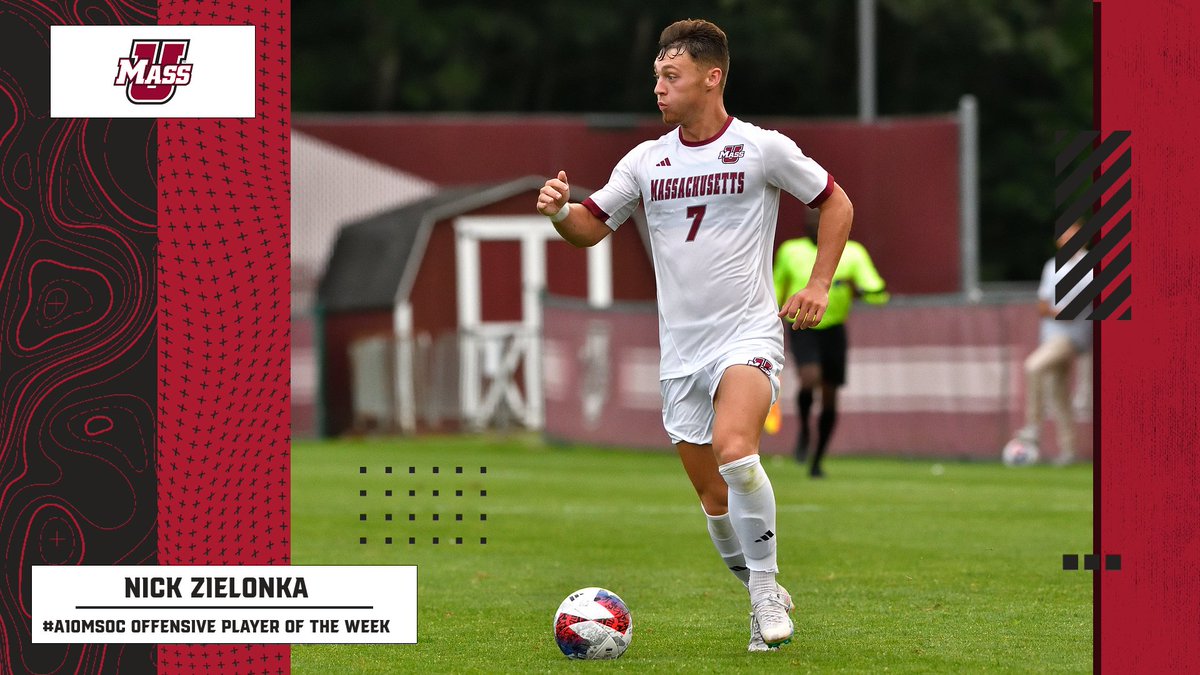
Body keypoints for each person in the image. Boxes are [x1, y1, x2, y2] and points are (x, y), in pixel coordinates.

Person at [536, 18, 853, 652]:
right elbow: (590, 227)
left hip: (748, 336)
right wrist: (558, 212)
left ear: (712, 78)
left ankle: (765, 590)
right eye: (656, 75)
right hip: (681, 352)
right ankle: (757, 585)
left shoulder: (762, 148)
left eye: (670, 76)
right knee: (714, 499)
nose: (657, 87)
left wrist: (818, 284)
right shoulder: (645, 160)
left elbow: (836, 203)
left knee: (738, 452)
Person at [773, 209, 889, 477]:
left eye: (821, 221)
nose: (815, 225)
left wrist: (858, 290)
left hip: (834, 329)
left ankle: (817, 460)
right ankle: (803, 429)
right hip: (802, 325)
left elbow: (878, 293)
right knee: (809, 378)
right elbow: (777, 286)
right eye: (811, 220)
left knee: (829, 397)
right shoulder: (791, 251)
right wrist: (772, 312)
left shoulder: (853, 253)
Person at [1012, 218, 1093, 465]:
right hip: (1051, 336)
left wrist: (1063, 311)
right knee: (1059, 394)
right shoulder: (1052, 266)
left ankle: (1033, 427)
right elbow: (1043, 305)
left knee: (1033, 366)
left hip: (1073, 338)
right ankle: (1069, 450)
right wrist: (1060, 311)